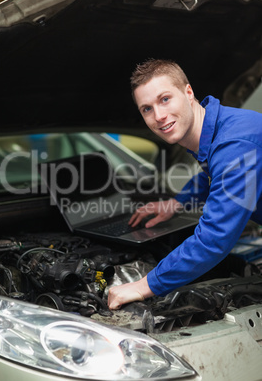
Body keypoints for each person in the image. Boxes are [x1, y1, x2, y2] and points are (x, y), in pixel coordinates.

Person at [108, 58, 262, 310]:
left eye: (165, 99)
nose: (159, 115)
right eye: (147, 108)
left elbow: (214, 239)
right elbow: (212, 173)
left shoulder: (235, 144)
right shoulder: (217, 131)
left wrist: (143, 285)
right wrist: (176, 203)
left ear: (188, 92)